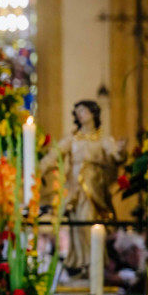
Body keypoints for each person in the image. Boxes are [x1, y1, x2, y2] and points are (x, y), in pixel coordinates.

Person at [41, 100, 126, 272]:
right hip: (75, 190)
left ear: (93, 113)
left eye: (83, 111)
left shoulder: (102, 139)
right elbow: (53, 156)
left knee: (90, 223)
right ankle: (81, 263)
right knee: (78, 226)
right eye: (77, 112)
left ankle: (93, 264)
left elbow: (116, 156)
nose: (80, 115)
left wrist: (120, 150)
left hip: (94, 188)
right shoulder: (73, 139)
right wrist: (37, 170)